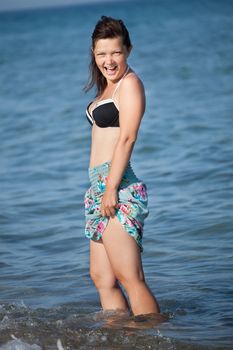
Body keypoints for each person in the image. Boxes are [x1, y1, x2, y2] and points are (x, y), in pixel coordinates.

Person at [84, 16, 160, 316]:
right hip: (98, 187)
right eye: (102, 53)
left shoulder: (129, 84)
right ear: (94, 53)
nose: (109, 60)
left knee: (131, 278)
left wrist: (112, 188)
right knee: (102, 278)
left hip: (117, 185)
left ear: (128, 49)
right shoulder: (106, 86)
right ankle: (121, 339)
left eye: (115, 52)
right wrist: (100, 189)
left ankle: (156, 338)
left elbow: (127, 138)